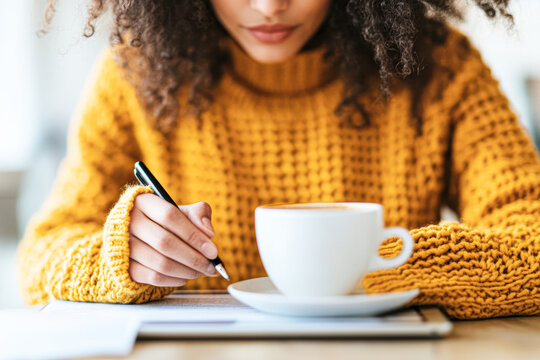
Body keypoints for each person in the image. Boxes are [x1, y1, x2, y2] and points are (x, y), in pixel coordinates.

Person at [18, 0, 540, 319]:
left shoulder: (440, 68)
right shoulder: (136, 74)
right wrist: (120, 258)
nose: (269, 6)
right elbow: (40, 257)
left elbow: (533, 243)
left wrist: (384, 268)